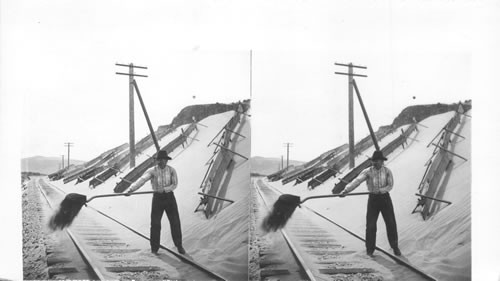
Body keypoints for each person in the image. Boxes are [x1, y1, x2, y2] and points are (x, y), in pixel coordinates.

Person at [340, 150, 401, 257]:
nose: (379, 162)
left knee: (391, 223)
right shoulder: (368, 171)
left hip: (385, 199)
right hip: (373, 200)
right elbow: (357, 181)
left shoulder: (387, 171)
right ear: (374, 161)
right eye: (377, 161)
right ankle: (370, 249)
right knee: (371, 225)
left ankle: (395, 246)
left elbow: (390, 185)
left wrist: (381, 190)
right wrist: (346, 190)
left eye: (380, 161)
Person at [126, 150, 185, 255]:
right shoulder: (152, 171)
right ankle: (154, 248)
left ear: (167, 160)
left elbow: (174, 184)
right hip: (157, 199)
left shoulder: (172, 170)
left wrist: (165, 189)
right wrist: (131, 189)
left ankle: (179, 245)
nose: (162, 162)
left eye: (164, 160)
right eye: (160, 160)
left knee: (175, 222)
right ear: (157, 161)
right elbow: (142, 180)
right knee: (155, 224)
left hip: (169, 198)